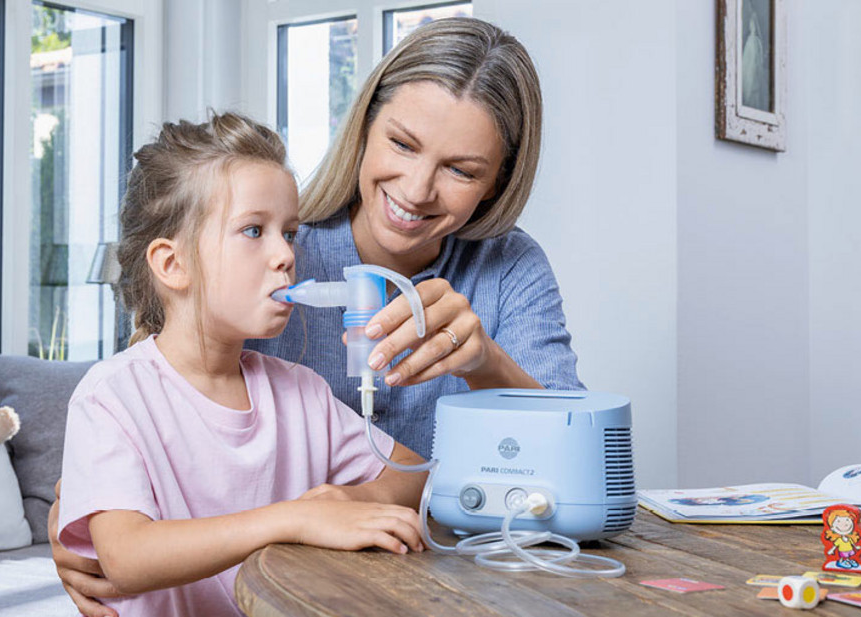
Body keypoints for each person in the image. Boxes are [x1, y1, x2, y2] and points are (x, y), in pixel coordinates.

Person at [53, 17, 583, 615]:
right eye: (403, 144)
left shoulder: (303, 389)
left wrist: (485, 364)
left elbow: (550, 468)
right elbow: (143, 475)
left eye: (461, 170)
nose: (416, 187)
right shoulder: (257, 277)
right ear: (362, 128)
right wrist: (83, 513)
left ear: (497, 183)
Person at [53, 112, 429, 617]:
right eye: (254, 230)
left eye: (289, 232)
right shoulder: (113, 396)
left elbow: (412, 472)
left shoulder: (300, 392)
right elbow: (126, 556)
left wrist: (346, 504)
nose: (285, 255)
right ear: (172, 264)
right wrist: (294, 520)